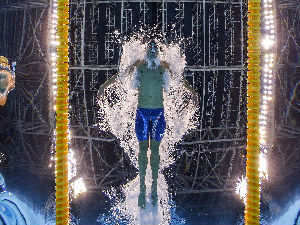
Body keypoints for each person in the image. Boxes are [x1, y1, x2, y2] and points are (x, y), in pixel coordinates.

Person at [98, 41, 198, 208]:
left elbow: (180, 81)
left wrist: (192, 92)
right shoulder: (139, 65)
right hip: (142, 114)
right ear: (145, 51)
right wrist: (104, 86)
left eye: (155, 48)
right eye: (150, 48)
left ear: (158, 52)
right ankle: (143, 187)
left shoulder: (163, 67)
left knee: (156, 149)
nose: (152, 50)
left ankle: (154, 188)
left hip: (158, 113)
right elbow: (120, 76)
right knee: (143, 149)